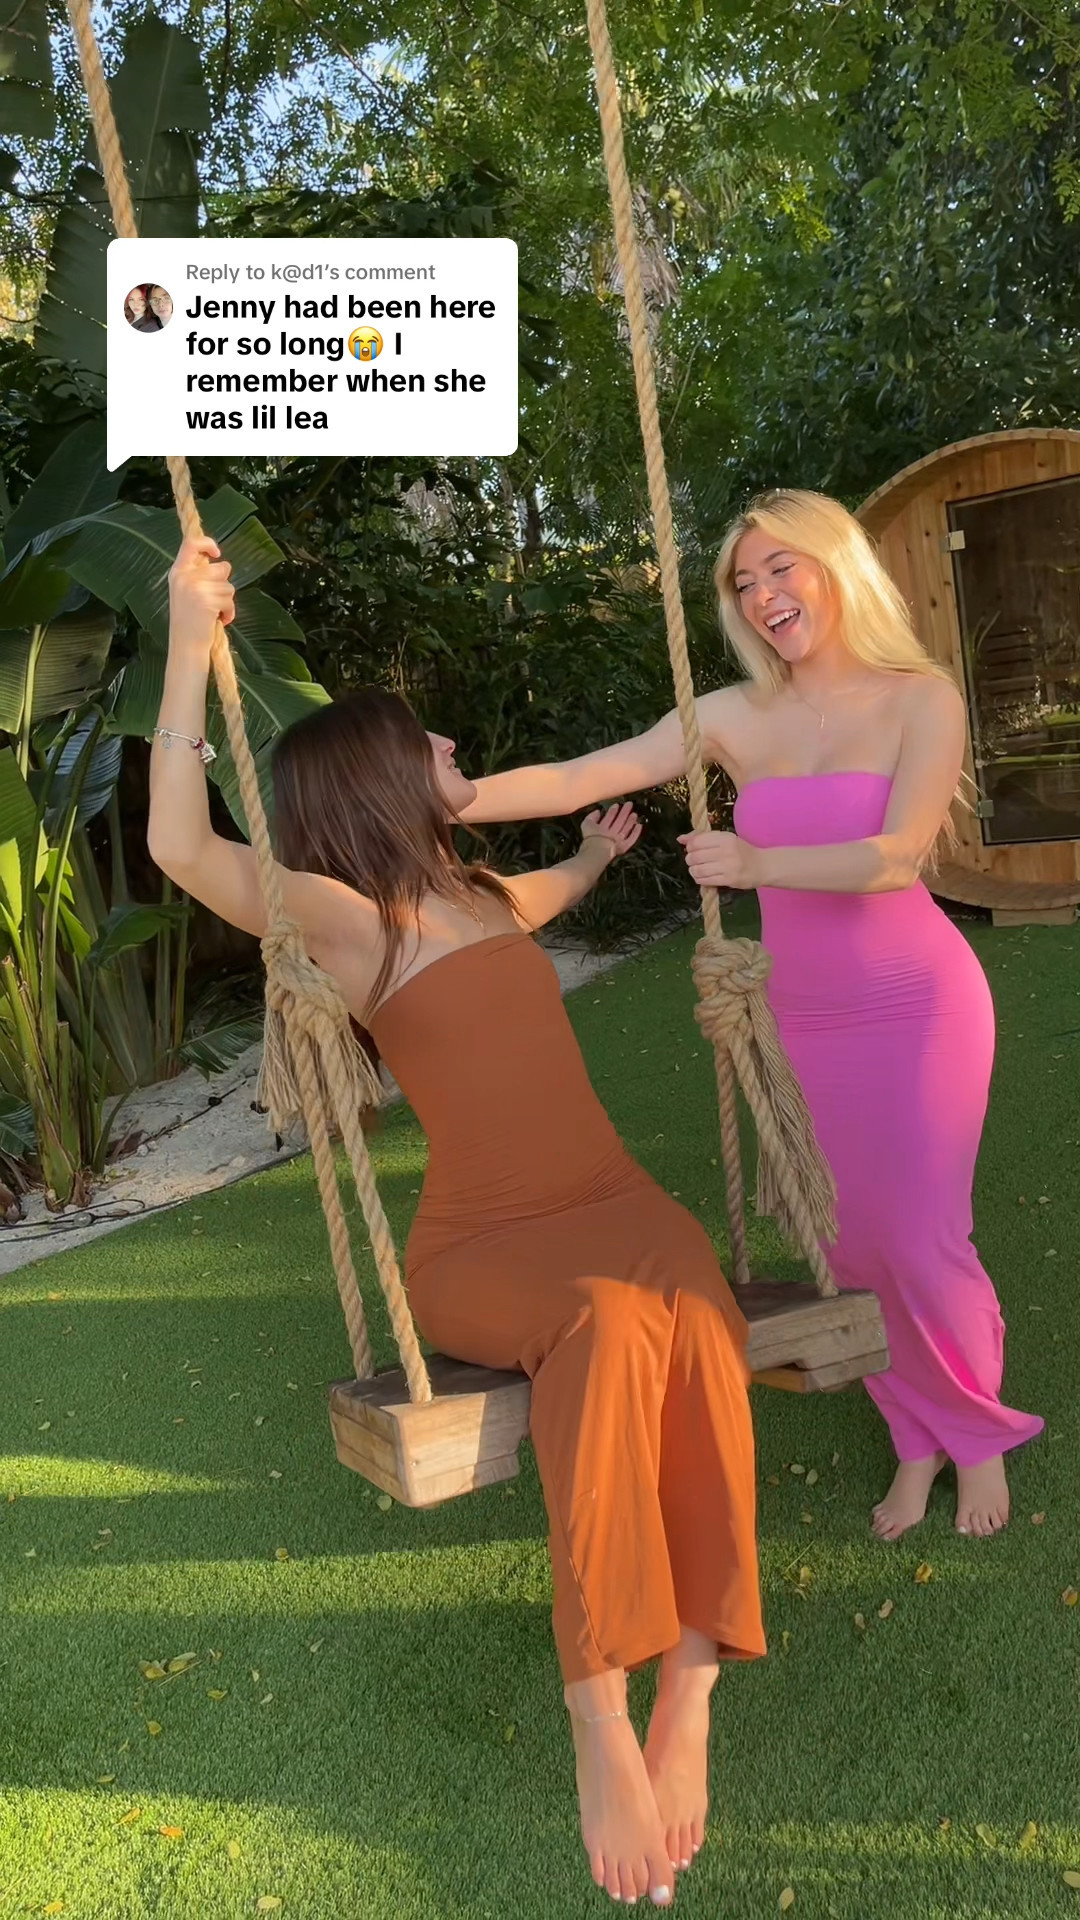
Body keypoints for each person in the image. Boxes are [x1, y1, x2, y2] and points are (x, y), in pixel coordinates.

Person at [150, 535, 766, 1907]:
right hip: (485, 1244)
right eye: (420, 740)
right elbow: (180, 845)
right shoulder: (345, 917)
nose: (446, 742)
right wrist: (190, 644)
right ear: (376, 779)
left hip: (617, 1199)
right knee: (604, 1327)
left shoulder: (476, 894)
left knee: (699, 1309)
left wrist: (592, 859)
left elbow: (539, 901)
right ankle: (601, 1712)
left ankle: (693, 1688)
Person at [464, 487, 1045, 1544]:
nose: (764, 593)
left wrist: (758, 862)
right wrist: (448, 800)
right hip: (802, 1019)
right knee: (844, 1236)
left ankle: (977, 1437)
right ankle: (914, 1437)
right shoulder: (733, 716)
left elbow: (897, 857)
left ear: (836, 566)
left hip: (917, 1004)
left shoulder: (921, 699)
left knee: (922, 1236)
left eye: (783, 567)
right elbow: (581, 775)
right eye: (744, 582)